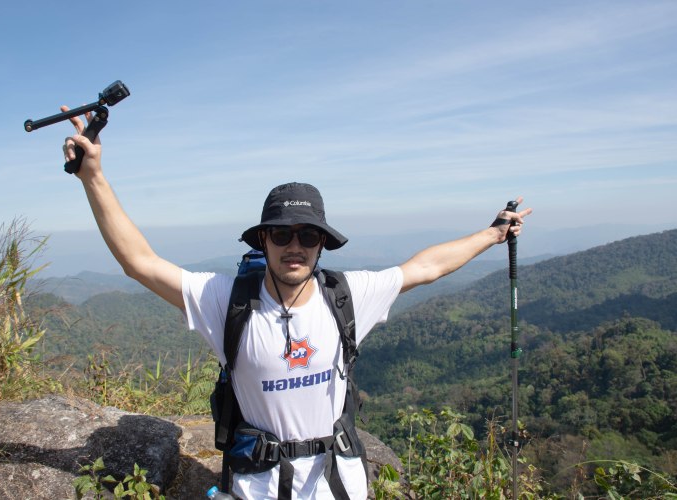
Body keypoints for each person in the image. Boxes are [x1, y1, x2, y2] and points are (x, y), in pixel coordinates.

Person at [61, 107, 531, 499]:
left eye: (308, 236)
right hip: (257, 487)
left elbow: (425, 267)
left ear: (322, 244)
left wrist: (492, 234)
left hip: (338, 483)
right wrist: (93, 176)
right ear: (263, 240)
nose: (295, 246)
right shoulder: (227, 301)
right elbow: (140, 263)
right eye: (282, 234)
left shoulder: (345, 296)